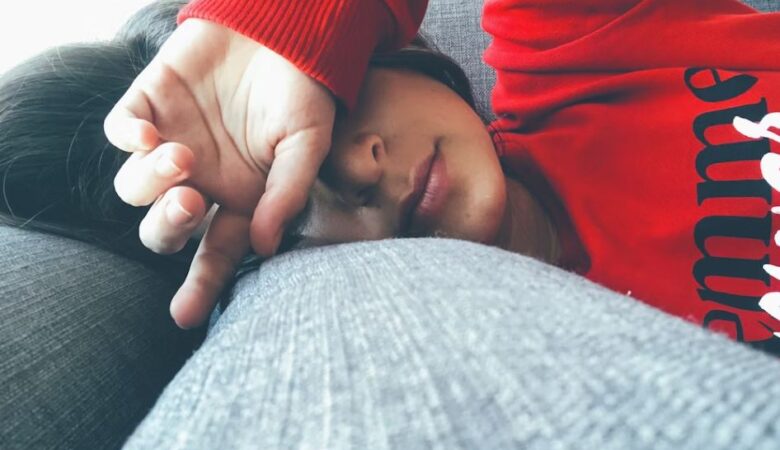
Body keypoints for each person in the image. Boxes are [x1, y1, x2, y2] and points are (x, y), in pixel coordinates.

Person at [102, 0, 780, 352]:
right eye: (290, 191)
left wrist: (299, 21)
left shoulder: (568, 48)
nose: (353, 167)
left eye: (332, 109)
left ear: (394, 55)